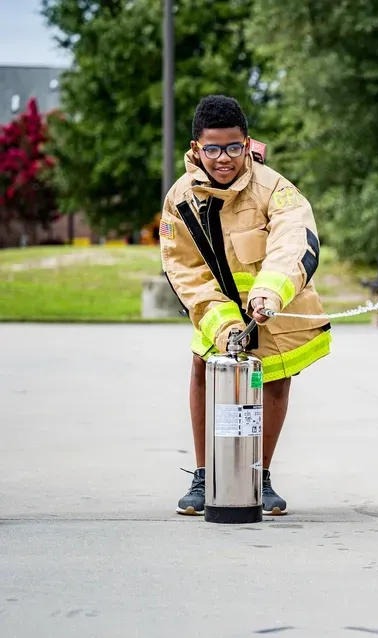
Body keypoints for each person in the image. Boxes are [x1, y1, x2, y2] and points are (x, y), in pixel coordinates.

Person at [160, 94, 332, 517]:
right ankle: (205, 476)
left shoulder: (275, 189)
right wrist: (221, 326)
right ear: (196, 147)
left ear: (247, 143)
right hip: (217, 309)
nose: (224, 159)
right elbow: (183, 269)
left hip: (272, 307)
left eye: (234, 147)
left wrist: (270, 293)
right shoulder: (181, 199)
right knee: (203, 366)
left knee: (274, 378)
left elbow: (295, 241)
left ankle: (260, 475)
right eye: (213, 148)